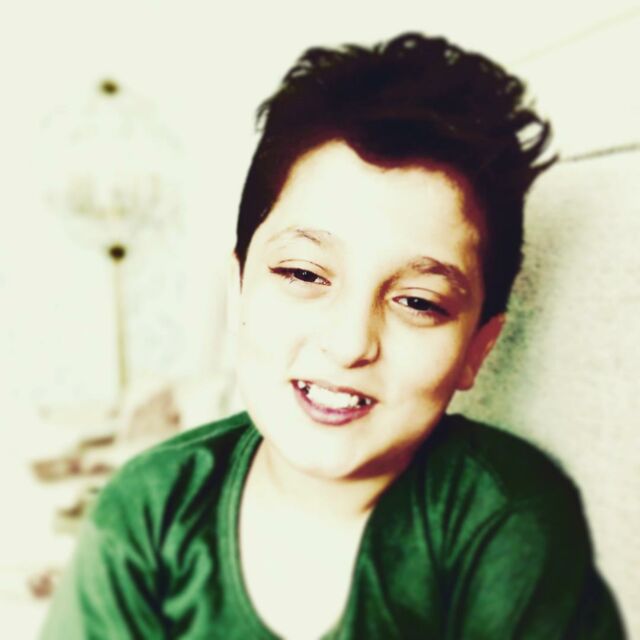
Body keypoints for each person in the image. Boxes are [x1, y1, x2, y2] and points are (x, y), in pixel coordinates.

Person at [40, 33, 625, 639]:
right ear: (238, 294)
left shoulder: (506, 521)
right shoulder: (146, 514)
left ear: (478, 349)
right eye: (303, 274)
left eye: (418, 302)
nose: (349, 344)